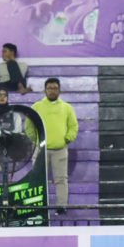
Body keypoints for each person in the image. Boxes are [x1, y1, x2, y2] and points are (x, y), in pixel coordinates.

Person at [31, 78, 78, 214]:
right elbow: (29, 126)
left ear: (59, 90)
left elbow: (73, 126)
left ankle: (61, 206)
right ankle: (38, 206)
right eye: (49, 88)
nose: (52, 91)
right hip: (41, 150)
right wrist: (36, 140)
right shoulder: (36, 107)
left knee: (61, 180)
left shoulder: (67, 108)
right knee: (37, 180)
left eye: (55, 88)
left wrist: (68, 138)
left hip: (60, 150)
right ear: (45, 90)